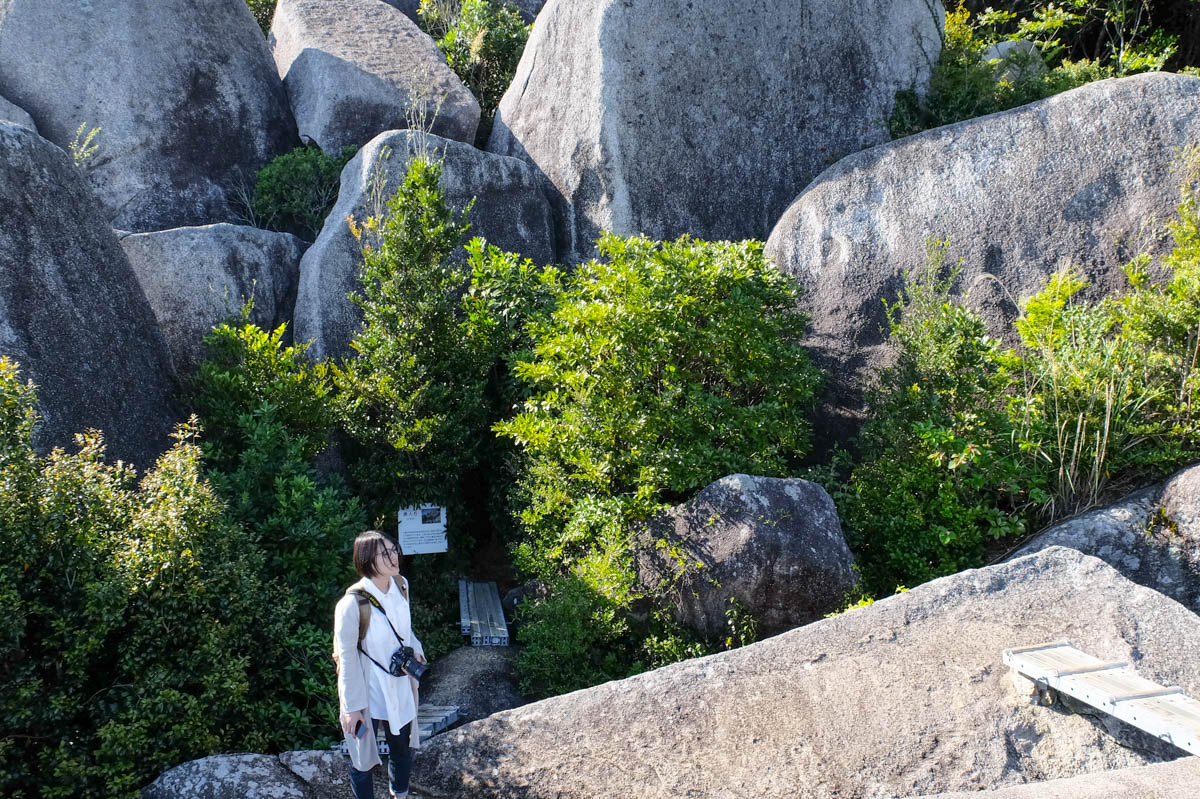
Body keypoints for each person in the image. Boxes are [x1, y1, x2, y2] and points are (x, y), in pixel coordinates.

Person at [333, 530, 427, 799]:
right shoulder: (351, 604)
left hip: (399, 683)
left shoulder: (401, 585)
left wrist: (416, 649)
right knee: (362, 760)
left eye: (393, 549)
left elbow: (404, 631)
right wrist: (351, 708)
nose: (393, 557)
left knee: (403, 748)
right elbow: (347, 656)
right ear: (366, 559)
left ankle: (400, 793)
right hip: (367, 690)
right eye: (384, 553)